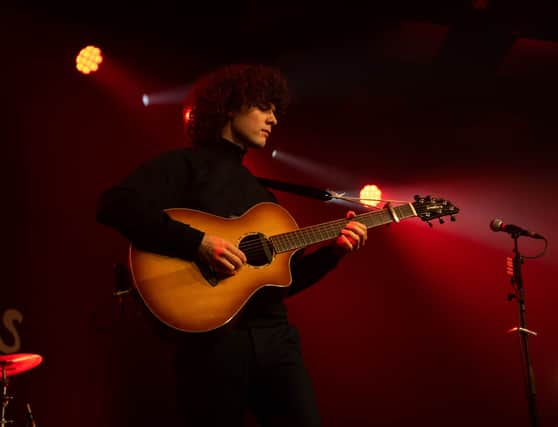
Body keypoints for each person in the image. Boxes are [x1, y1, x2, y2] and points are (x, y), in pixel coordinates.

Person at [95, 63, 368, 427]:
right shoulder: (185, 167)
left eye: (275, 110)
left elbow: (281, 283)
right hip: (211, 347)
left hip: (276, 340)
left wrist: (334, 253)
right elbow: (114, 205)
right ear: (229, 106)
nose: (273, 119)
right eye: (263, 107)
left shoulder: (264, 195)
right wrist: (198, 244)